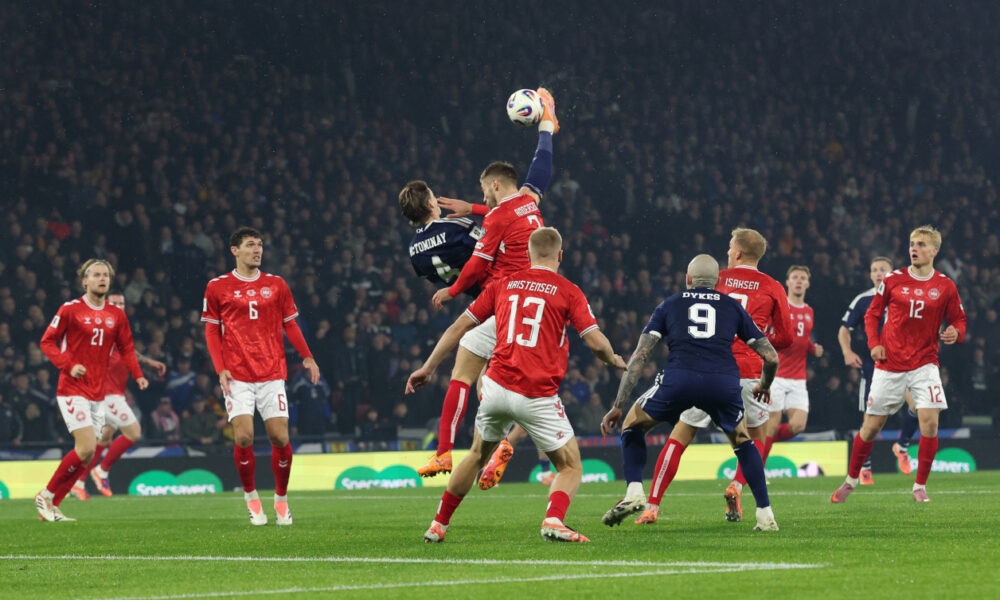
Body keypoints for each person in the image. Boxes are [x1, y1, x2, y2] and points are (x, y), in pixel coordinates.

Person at [407, 227, 625, 543]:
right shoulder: (569, 291)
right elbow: (594, 342)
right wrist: (613, 359)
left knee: (476, 455)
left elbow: (458, 327)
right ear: (560, 256)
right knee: (570, 466)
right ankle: (553, 520)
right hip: (536, 395)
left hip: (495, 388)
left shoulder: (503, 285)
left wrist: (428, 367)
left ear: (527, 255)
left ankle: (438, 524)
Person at [409, 87, 560, 478]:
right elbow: (540, 168)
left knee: (464, 366)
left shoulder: (494, 219)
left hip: (505, 297)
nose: (482, 197)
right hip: (538, 302)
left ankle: (446, 450)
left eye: (482, 191)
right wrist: (546, 124)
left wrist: (453, 289)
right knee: (526, 389)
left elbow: (477, 265)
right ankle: (504, 445)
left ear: (493, 185)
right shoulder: (529, 202)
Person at [600, 254, 780, 531]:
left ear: (687, 280)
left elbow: (639, 357)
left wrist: (618, 404)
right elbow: (771, 358)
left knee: (632, 425)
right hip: (722, 383)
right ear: (718, 282)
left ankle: (635, 492)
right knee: (743, 440)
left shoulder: (669, 305)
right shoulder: (732, 307)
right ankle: (765, 514)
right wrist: (765, 385)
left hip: (680, 379)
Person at [637, 228, 792, 524]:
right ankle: (737, 485)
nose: (727, 251)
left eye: (730, 246)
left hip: (706, 366)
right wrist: (757, 335)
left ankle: (653, 505)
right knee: (753, 437)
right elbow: (784, 338)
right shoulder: (772, 286)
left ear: (738, 253)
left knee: (681, 434)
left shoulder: (716, 278)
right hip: (748, 371)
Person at [832, 225, 966, 503]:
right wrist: (873, 344)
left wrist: (956, 332)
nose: (914, 248)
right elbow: (871, 315)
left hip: (925, 364)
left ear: (934, 250)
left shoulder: (945, 285)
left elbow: (959, 319)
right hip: (889, 364)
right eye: (912, 244)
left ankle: (920, 487)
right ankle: (851, 480)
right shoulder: (893, 280)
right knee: (871, 427)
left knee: (929, 423)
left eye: (921, 244)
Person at [202, 227, 320, 526]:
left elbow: (290, 325)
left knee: (280, 436)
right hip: (237, 375)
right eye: (251, 245)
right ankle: (251, 496)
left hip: (271, 372)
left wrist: (307, 356)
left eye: (260, 245)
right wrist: (221, 369)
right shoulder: (218, 286)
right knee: (243, 436)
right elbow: (212, 330)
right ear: (235, 250)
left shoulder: (277, 284)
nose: (257, 250)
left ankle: (281, 499)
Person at [35, 259, 149, 521]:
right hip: (72, 388)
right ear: (84, 281)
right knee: (86, 448)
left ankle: (51, 504)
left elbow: (127, 349)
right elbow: (47, 342)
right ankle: (46, 495)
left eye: (106, 275)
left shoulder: (116, 315)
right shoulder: (70, 309)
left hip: (99, 393)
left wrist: (139, 375)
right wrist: (68, 364)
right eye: (96, 275)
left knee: (86, 454)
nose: (102, 279)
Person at [70, 291, 167, 500]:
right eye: (114, 302)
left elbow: (128, 352)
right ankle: (101, 470)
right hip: (105, 394)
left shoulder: (119, 326)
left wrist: (149, 363)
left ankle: (78, 482)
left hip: (115, 391)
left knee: (103, 438)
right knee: (134, 433)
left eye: (121, 303)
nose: (119, 305)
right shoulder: (101, 326)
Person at [837, 256, 918, 483]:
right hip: (874, 367)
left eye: (883, 269)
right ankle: (865, 467)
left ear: (892, 273)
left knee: (918, 406)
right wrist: (847, 352)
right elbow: (844, 329)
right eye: (875, 270)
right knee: (869, 421)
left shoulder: (905, 297)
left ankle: (901, 447)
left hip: (903, 363)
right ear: (870, 275)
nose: (879, 273)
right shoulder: (863, 300)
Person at [761, 266, 824, 462]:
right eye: (795, 277)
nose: (798, 280)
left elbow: (801, 338)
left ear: (807, 284)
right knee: (773, 422)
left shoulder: (809, 311)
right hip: (776, 375)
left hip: (798, 378)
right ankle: (756, 469)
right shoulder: (778, 307)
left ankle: (759, 443)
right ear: (787, 282)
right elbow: (763, 334)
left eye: (802, 278)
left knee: (798, 426)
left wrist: (813, 348)